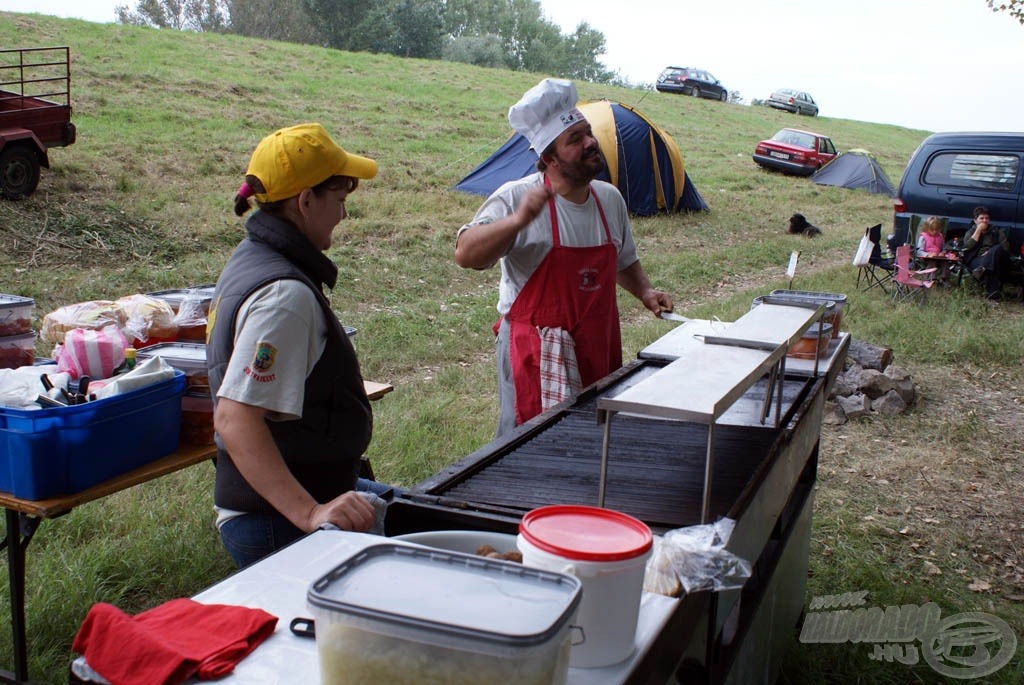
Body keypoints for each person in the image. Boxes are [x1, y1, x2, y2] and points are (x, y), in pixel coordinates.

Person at [207, 123, 390, 568]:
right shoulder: (283, 296)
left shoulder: (255, 257)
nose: (344, 216)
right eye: (340, 201)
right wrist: (310, 513)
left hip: (292, 495)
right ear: (306, 201)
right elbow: (234, 418)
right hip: (274, 518)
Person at [454, 78, 674, 437]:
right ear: (548, 159)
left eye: (588, 133)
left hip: (598, 344)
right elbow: (466, 253)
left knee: (593, 437)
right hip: (535, 354)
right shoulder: (516, 198)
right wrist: (518, 221)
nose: (591, 142)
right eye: (575, 139)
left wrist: (646, 293)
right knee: (525, 444)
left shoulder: (609, 199)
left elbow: (623, 261)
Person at [962, 206, 1012, 300]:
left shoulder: (996, 231)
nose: (984, 221)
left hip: (996, 259)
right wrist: (978, 230)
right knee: (992, 266)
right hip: (977, 260)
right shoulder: (971, 232)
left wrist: (990, 252)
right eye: (981, 218)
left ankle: (983, 268)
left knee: (996, 250)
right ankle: (993, 295)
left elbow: (1005, 248)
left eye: (987, 218)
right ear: (975, 220)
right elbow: (966, 248)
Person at [916, 216, 951, 283]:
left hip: (938, 257)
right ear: (927, 228)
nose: (934, 231)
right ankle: (930, 280)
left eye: (936, 229)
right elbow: (919, 251)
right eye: (932, 230)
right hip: (926, 258)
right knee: (932, 262)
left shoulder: (940, 236)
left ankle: (944, 279)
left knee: (945, 263)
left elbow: (943, 248)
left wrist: (943, 252)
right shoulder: (923, 237)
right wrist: (927, 254)